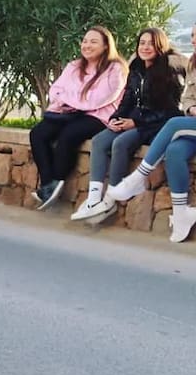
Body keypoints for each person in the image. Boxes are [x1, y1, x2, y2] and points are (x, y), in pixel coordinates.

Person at [71, 27, 185, 223]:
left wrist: (136, 122)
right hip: (134, 119)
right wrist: (115, 118)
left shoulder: (170, 71)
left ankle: (111, 198)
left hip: (155, 125)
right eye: (142, 43)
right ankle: (93, 199)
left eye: (151, 44)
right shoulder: (136, 68)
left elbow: (171, 111)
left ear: (160, 46)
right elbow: (128, 98)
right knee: (99, 140)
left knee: (121, 143)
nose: (145, 47)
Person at [107, 24, 196, 242]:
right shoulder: (193, 62)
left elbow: (171, 105)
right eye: (193, 35)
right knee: (174, 152)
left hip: (183, 124)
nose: (193, 40)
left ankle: (139, 177)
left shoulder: (172, 68)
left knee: (174, 124)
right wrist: (192, 108)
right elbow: (187, 98)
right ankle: (181, 214)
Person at [29, 27, 127, 210]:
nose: (87, 45)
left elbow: (100, 98)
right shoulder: (74, 66)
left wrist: (69, 98)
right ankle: (48, 183)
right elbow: (55, 90)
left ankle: (57, 179)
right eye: (85, 41)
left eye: (93, 42)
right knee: (38, 133)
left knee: (69, 135)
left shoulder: (116, 69)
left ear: (106, 46)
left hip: (98, 116)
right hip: (69, 113)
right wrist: (74, 99)